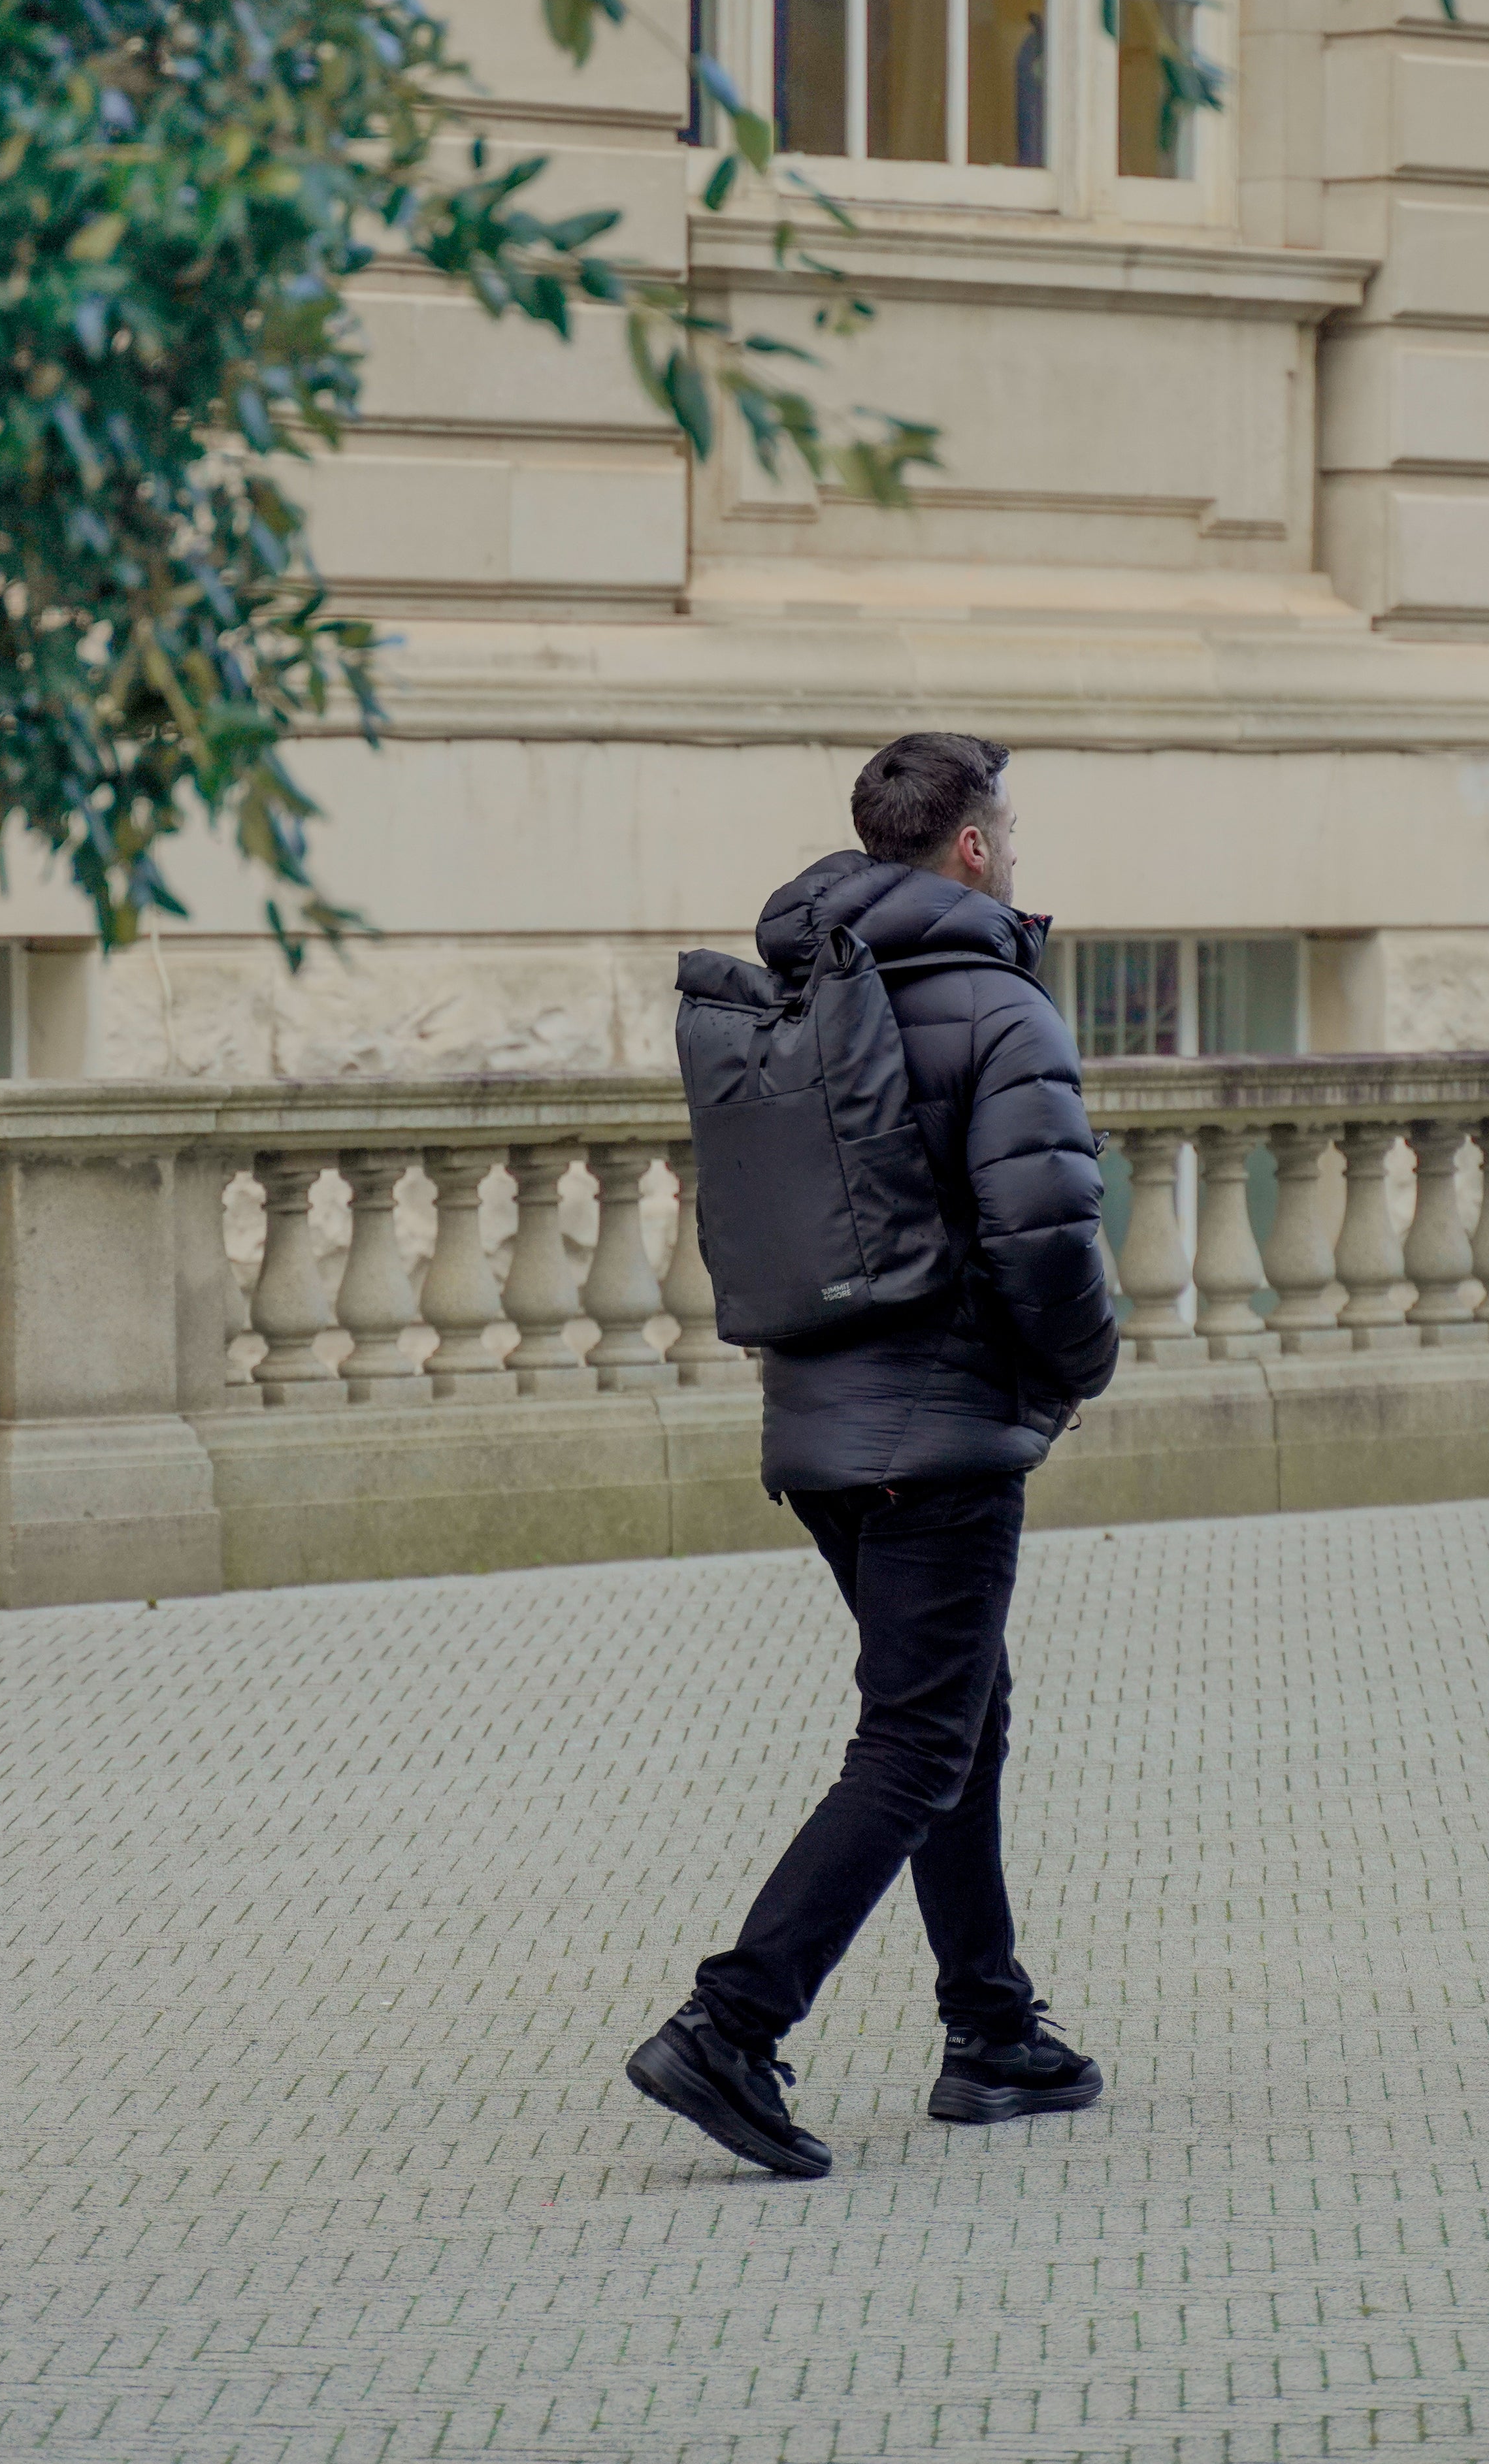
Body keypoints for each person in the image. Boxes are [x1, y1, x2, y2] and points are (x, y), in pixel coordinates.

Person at [627, 730, 1120, 2178]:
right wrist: (1082, 1364)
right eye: (1008, 828)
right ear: (970, 845)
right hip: (944, 1431)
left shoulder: (804, 986)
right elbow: (1046, 1236)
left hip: (818, 1428)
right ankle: (730, 2021)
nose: (1015, 848)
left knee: (960, 1709)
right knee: (912, 1742)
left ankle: (990, 2026)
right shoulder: (997, 1006)